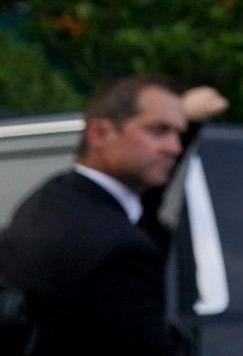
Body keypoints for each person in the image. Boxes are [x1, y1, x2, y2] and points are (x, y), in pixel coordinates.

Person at [0, 75, 226, 356]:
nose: (174, 148)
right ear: (99, 134)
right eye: (159, 130)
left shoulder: (58, 196)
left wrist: (188, 120)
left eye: (178, 134)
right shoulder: (113, 247)